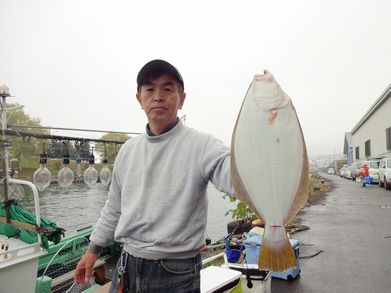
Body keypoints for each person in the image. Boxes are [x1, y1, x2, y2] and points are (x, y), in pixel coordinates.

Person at [74, 59, 235, 292]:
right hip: (127, 265)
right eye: (150, 89)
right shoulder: (128, 150)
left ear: (182, 99)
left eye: (167, 88)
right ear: (139, 99)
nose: (158, 96)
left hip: (177, 272)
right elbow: (113, 208)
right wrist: (92, 251)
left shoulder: (204, 145)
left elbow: (236, 179)